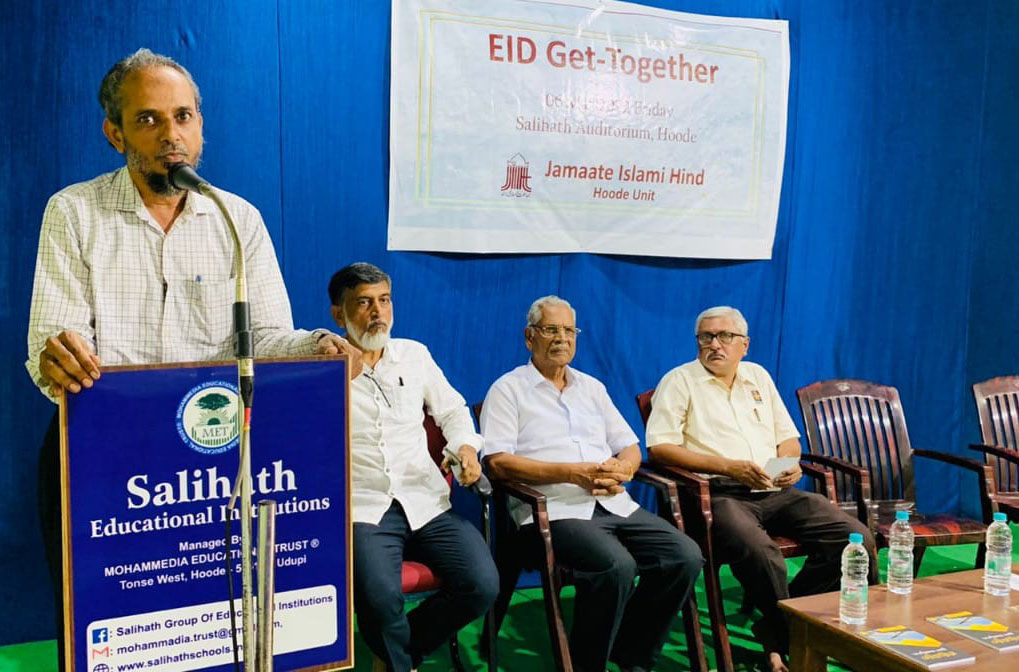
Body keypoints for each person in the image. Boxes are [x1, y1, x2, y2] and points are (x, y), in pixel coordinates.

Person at [26, 48, 360, 670]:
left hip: (208, 464)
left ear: (200, 125)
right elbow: (52, 338)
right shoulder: (74, 212)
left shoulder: (238, 219)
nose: (170, 134)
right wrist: (57, 357)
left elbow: (264, 337)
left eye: (182, 116)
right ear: (115, 133)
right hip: (102, 457)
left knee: (204, 628)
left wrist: (317, 349)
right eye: (148, 119)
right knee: (109, 633)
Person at [646, 305, 877, 672]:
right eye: (706, 337)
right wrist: (728, 466)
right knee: (761, 553)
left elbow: (789, 439)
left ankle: (782, 626)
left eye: (725, 336)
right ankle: (786, 640)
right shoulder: (679, 381)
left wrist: (789, 465)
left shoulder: (758, 376)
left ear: (745, 344)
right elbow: (660, 448)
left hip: (774, 488)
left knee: (856, 540)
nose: (715, 344)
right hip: (717, 494)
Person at [481, 295, 703, 672]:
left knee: (684, 556)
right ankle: (588, 664)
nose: (562, 338)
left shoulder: (591, 387)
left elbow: (629, 445)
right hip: (550, 509)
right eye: (551, 330)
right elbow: (498, 463)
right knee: (615, 566)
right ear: (529, 337)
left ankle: (631, 655)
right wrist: (572, 473)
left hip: (612, 502)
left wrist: (625, 469)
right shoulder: (508, 390)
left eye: (569, 330)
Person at [328, 262, 497, 672]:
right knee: (378, 597)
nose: (377, 312)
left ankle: (396, 656)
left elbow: (453, 411)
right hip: (364, 506)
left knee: (481, 584)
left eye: (384, 300)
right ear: (339, 314)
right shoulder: (324, 365)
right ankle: (399, 661)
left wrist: (466, 449)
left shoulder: (414, 355)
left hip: (425, 500)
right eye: (364, 303)